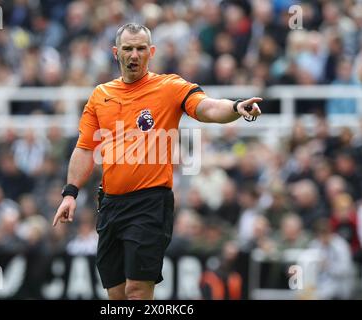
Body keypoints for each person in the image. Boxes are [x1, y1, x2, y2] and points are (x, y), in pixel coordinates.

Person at [52, 23, 262, 300]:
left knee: (137, 291)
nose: (134, 55)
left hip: (150, 204)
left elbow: (207, 107)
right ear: (116, 53)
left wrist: (236, 108)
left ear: (151, 52)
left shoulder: (169, 87)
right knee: (115, 294)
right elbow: (84, 149)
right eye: (128, 49)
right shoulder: (100, 95)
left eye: (140, 49)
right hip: (111, 205)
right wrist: (70, 193)